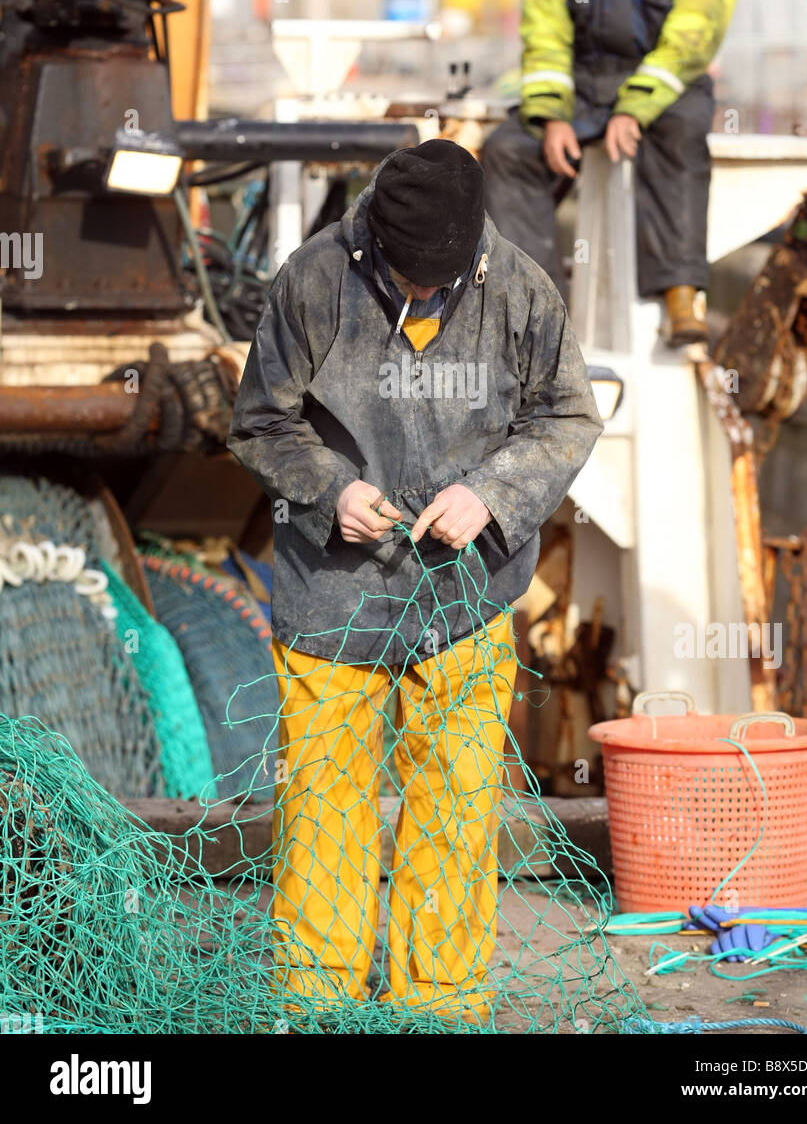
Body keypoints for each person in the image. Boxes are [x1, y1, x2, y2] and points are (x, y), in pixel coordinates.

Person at [226, 138, 603, 1023]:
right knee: (324, 808)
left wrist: (491, 495)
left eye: (444, 281)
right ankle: (313, 1007)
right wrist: (332, 492)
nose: (426, 295)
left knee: (458, 809)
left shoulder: (518, 288)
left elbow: (567, 416)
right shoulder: (312, 280)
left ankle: (437, 1009)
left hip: (468, 594)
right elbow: (260, 423)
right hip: (334, 592)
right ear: (377, 243)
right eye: (410, 279)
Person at [482, 0, 738, 345]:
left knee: (681, 134)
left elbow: (694, 34)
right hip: (586, 88)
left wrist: (632, 109)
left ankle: (680, 295)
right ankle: (537, 314)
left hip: (666, 86)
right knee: (507, 150)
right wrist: (551, 117)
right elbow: (546, 38)